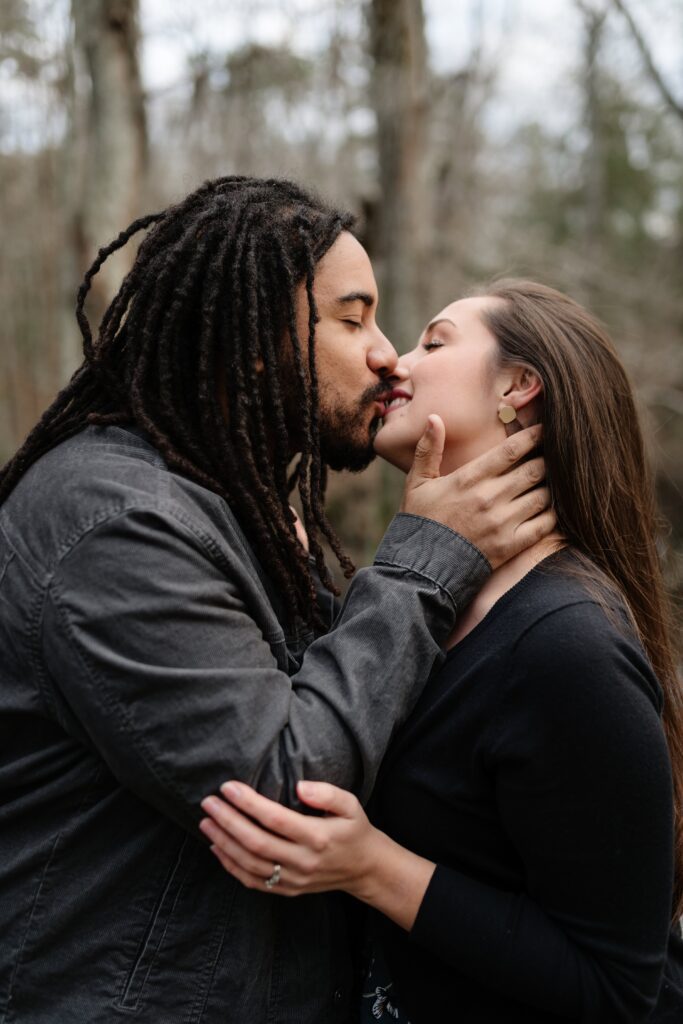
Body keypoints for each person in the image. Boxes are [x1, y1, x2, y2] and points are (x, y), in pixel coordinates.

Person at [0, 180, 552, 1023]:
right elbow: (283, 794)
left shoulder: (226, 504)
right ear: (254, 340)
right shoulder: (113, 521)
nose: (386, 355)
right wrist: (422, 565)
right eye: (352, 318)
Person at [201, 279, 683, 1023]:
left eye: (433, 342)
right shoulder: (422, 607)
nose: (393, 361)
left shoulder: (569, 646)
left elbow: (615, 988)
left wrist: (371, 867)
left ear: (518, 388)